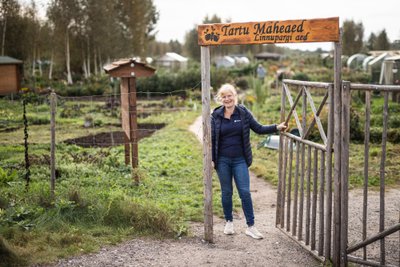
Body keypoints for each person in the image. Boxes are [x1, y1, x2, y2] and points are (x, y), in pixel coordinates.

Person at [211, 83, 287, 239]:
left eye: (229, 95)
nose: (227, 99)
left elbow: (258, 128)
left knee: (244, 192)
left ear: (235, 96)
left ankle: (251, 226)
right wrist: (212, 159)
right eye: (224, 96)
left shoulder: (243, 113)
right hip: (222, 160)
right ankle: (229, 222)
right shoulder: (216, 115)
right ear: (220, 99)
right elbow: (212, 139)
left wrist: (276, 127)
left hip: (240, 159)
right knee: (226, 192)